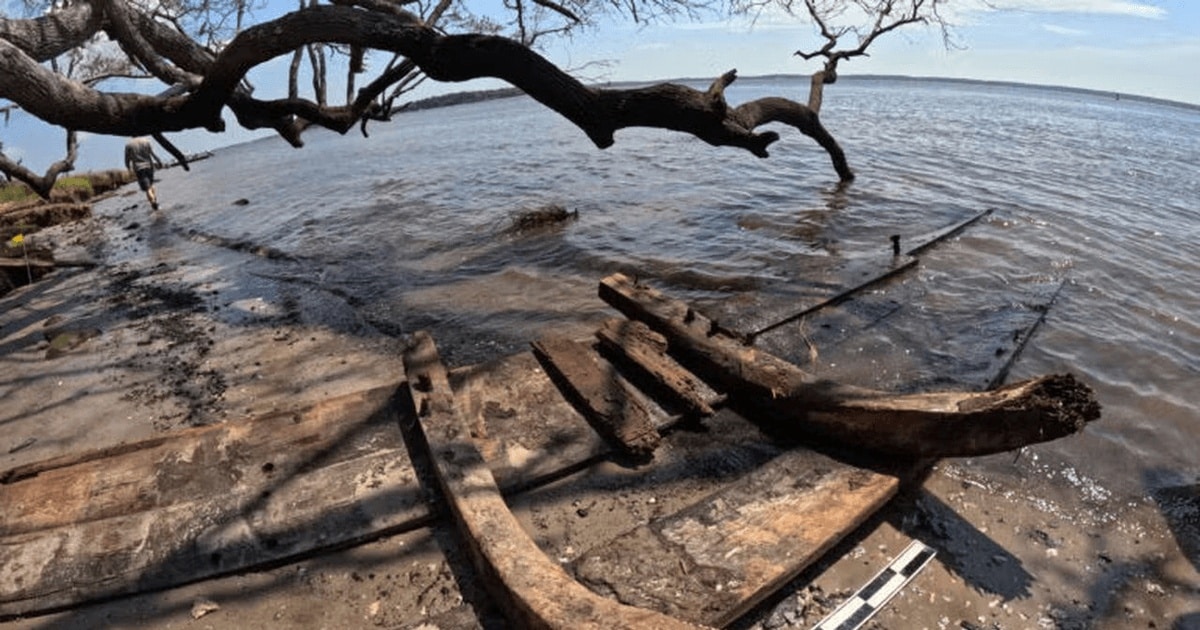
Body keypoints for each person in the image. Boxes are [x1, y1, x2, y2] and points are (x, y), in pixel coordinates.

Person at [124, 136, 165, 210]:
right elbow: (153, 154)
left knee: (147, 188)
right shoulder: (146, 141)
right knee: (151, 185)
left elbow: (127, 159)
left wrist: (128, 168)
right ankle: (155, 201)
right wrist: (159, 162)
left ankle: (153, 203)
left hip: (139, 168)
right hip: (149, 166)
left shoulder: (129, 145)